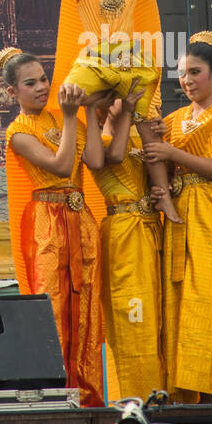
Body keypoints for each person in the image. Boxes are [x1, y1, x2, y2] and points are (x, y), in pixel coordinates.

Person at [49, 0, 188, 223]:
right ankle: (66, 176)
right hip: (95, 62)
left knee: (149, 123)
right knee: (69, 96)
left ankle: (162, 194)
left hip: (126, 61)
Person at [143, 32, 212, 403]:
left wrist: (172, 151)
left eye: (195, 72)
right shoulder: (173, 120)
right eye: (182, 73)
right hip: (178, 222)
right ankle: (192, 408)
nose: (187, 80)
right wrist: (162, 190)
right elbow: (162, 167)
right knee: (180, 311)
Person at [0, 46, 106, 407]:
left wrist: (89, 109)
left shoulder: (58, 120)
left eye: (44, 79)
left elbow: (92, 160)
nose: (42, 87)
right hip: (47, 225)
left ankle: (89, 403)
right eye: (31, 83)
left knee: (88, 314)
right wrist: (72, 116)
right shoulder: (19, 131)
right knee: (55, 309)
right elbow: (61, 168)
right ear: (13, 92)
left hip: (81, 221)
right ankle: (56, 403)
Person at [90, 87, 165, 401]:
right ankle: (135, 406)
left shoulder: (139, 134)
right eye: (117, 96)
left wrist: (159, 137)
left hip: (151, 234)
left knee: (157, 324)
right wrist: (132, 114)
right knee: (132, 321)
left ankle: (163, 405)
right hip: (124, 237)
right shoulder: (97, 140)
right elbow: (116, 156)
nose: (124, 101)